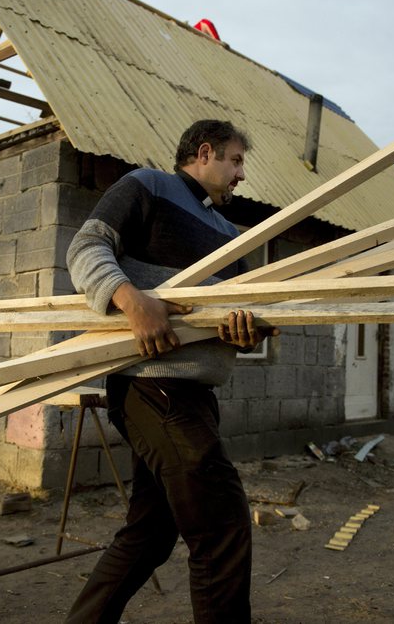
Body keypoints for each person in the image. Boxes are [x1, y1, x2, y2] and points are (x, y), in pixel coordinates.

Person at [65, 119, 279, 623]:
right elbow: (85, 248)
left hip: (195, 394)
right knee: (223, 526)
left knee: (151, 532)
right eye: (235, 161)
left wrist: (246, 331)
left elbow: (235, 316)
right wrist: (131, 300)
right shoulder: (148, 185)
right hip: (152, 385)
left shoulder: (231, 237)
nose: (241, 175)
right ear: (204, 153)